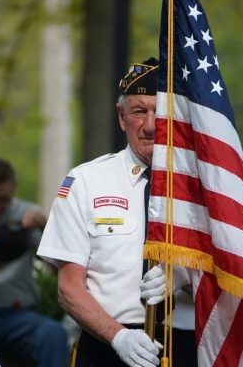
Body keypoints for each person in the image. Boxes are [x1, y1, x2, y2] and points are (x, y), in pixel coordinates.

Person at [37, 57, 197, 367]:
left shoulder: (205, 189)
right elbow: (69, 287)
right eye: (139, 111)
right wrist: (119, 337)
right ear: (121, 117)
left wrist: (185, 276)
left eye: (161, 112)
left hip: (187, 347)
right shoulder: (86, 182)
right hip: (106, 346)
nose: (151, 125)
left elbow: (235, 277)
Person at [0, 156, 70, 367]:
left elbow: (61, 269)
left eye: (4, 199)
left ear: (14, 189)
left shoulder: (26, 215)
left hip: (18, 314)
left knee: (53, 334)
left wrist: (45, 226)